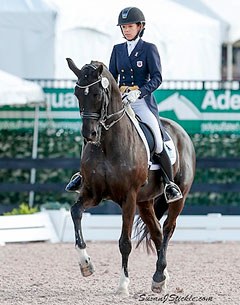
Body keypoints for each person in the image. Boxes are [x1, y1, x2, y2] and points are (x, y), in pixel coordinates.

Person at [66, 6, 182, 203]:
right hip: (120, 102)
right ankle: (81, 175)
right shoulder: (117, 50)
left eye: (129, 26)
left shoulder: (148, 49)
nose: (126, 30)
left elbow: (157, 77)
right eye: (123, 27)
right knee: (94, 130)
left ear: (140, 27)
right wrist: (113, 92)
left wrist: (139, 92)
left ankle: (169, 183)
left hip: (141, 102)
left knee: (157, 137)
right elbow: (111, 77)